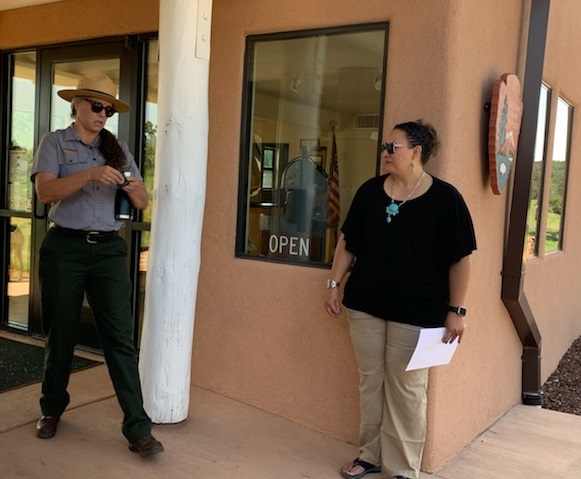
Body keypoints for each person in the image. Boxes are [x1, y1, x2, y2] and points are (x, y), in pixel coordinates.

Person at [324, 120, 476, 479]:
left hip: (418, 312)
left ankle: (403, 469)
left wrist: (457, 310)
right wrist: (333, 282)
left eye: (393, 147)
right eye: (385, 147)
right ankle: (370, 455)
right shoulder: (370, 192)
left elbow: (461, 260)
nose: (385, 153)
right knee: (371, 381)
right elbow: (348, 242)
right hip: (365, 306)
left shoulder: (446, 199)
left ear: (416, 152)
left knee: (407, 391)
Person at [31, 72, 163, 457]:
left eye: (108, 108)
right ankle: (51, 409)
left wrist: (132, 186)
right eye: (96, 105)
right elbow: (44, 191)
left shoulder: (117, 147)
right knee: (62, 333)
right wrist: (88, 174)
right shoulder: (55, 142)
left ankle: (138, 428)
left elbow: (141, 203)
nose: (103, 113)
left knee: (120, 338)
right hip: (65, 248)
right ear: (77, 105)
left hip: (108, 251)